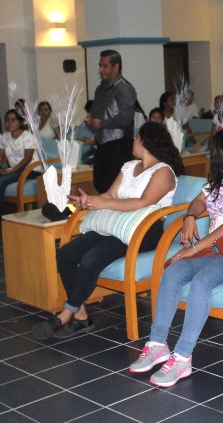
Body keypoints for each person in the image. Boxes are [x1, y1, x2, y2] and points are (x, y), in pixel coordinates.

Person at [129, 127, 223, 387]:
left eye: (216, 149)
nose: (212, 154)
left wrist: (193, 249)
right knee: (171, 271)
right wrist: (190, 217)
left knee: (201, 282)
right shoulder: (220, 177)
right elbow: (198, 200)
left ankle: (183, 357)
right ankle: (157, 344)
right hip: (218, 249)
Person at [34, 122, 184, 340]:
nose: (132, 141)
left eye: (135, 137)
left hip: (144, 230)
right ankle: (82, 316)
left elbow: (143, 202)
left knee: (91, 259)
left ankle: (67, 313)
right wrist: (87, 202)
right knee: (65, 254)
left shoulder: (163, 171)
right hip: (118, 224)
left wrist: (102, 203)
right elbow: (111, 195)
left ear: (144, 141)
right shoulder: (129, 166)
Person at [88, 50, 137, 193]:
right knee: (100, 183)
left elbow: (126, 118)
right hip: (103, 145)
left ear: (116, 67)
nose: (100, 69)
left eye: (105, 66)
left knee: (115, 186)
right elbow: (98, 113)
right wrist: (90, 119)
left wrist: (101, 124)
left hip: (119, 145)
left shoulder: (123, 88)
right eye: (100, 65)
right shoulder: (100, 89)